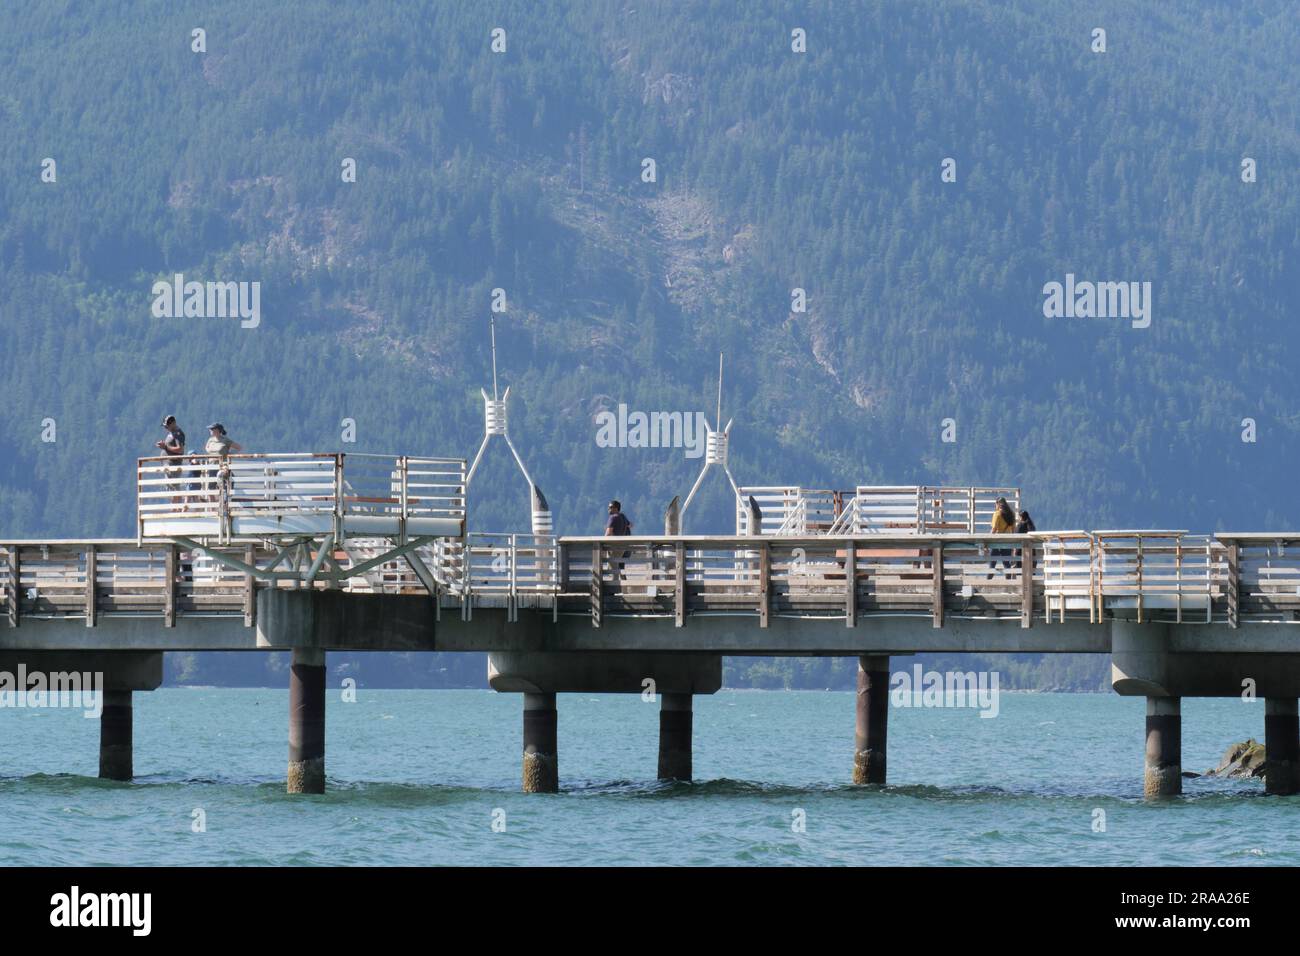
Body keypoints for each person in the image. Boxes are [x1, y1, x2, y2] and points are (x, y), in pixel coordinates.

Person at [988, 496, 1016, 577]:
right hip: (1007, 541)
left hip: (996, 542)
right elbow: (1013, 530)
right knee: (1007, 564)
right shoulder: (1012, 514)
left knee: (992, 564)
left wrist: (987, 539)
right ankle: (1009, 584)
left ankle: (988, 582)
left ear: (997, 504)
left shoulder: (997, 514)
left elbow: (994, 529)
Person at [605, 500, 632, 577]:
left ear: (616, 508)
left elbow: (608, 533)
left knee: (612, 568)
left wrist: (602, 544)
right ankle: (622, 586)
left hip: (614, 547)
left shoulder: (613, 518)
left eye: (610, 507)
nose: (608, 509)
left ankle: (614, 587)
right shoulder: (622, 516)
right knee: (619, 567)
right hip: (622, 547)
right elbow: (631, 525)